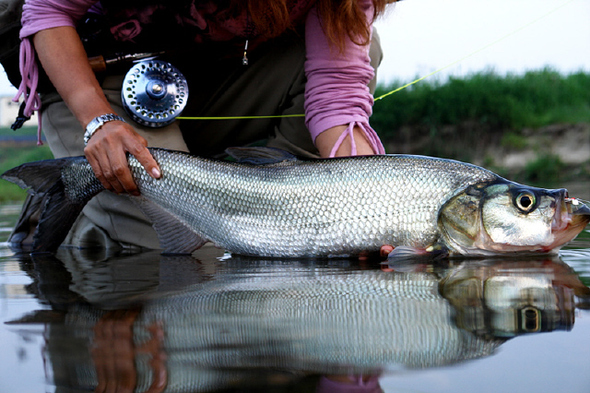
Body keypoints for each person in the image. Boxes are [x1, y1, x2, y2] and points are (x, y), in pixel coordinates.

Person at [11, 0, 398, 250]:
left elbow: (337, 98)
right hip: (95, 86)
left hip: (206, 85)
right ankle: (76, 203)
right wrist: (99, 121)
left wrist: (368, 212)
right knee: (198, 250)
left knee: (366, 41)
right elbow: (46, 10)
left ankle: (269, 213)